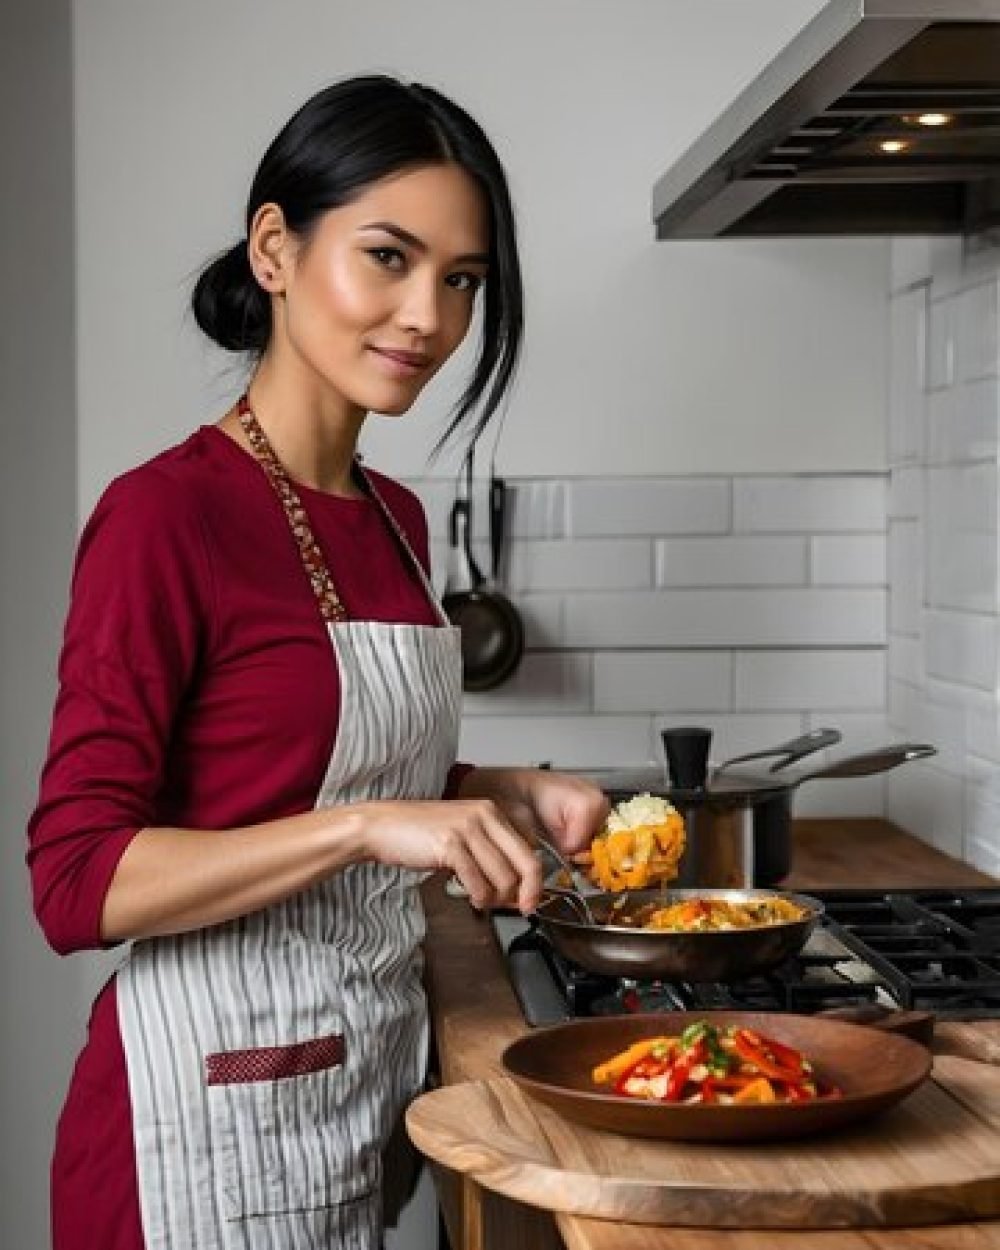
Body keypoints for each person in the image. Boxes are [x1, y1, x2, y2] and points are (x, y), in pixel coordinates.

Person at [27, 74, 608, 1250]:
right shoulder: (164, 517)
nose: (428, 320)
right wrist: (368, 829)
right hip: (187, 1138)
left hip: (351, 1099)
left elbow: (319, 773)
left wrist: (499, 794)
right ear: (276, 249)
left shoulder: (394, 513)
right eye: (388, 257)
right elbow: (76, 878)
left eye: (461, 281)